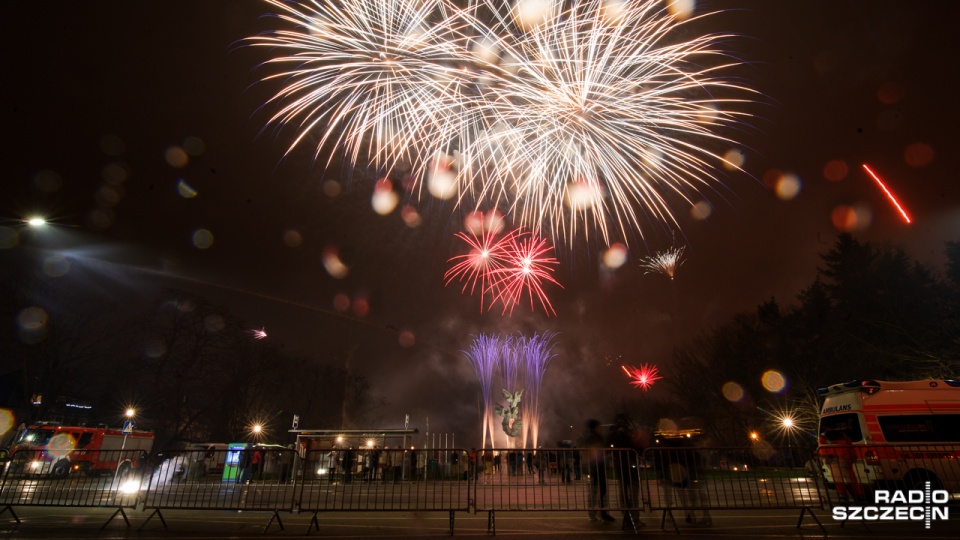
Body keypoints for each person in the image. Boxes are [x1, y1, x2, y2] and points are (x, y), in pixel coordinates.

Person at [607, 413, 647, 530]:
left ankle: (627, 517)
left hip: (622, 466)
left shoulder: (615, 434)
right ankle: (634, 518)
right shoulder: (630, 433)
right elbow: (638, 448)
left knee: (624, 493)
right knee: (633, 493)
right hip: (630, 466)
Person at [585, 419, 615, 523]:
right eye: (599, 426)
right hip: (597, 467)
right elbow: (596, 453)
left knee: (599, 491)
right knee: (597, 491)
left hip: (598, 467)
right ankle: (598, 513)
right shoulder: (594, 438)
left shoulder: (594, 437)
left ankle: (600, 513)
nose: (601, 428)